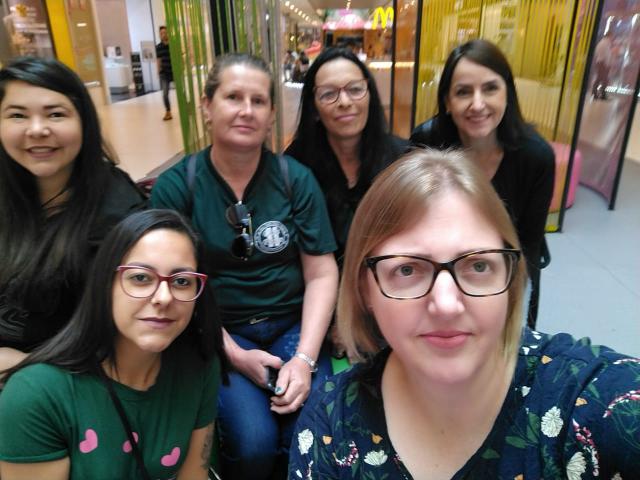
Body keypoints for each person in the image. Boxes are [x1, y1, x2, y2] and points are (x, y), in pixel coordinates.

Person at [289, 149, 640, 479]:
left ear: (510, 276)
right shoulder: (329, 426)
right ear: (364, 289)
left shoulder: (590, 399)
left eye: (478, 265)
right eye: (407, 269)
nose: (446, 305)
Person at [151, 53, 338, 479]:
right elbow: (174, 284)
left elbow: (322, 272)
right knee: (253, 443)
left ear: (272, 115)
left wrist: (304, 360)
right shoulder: (178, 187)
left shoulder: (295, 180)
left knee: (308, 433)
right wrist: (233, 355)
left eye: (258, 101)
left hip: (293, 325)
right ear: (207, 105)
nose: (246, 110)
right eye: (233, 97)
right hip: (219, 329)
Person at [0, 209, 225, 479]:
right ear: (105, 285)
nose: (164, 297)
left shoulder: (199, 365)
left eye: (181, 281)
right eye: (141, 277)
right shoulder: (35, 396)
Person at [0, 57, 146, 371]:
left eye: (55, 114)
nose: (37, 130)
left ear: (84, 121)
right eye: (17, 115)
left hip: (65, 381)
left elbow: (123, 341)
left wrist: (24, 369)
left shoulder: (118, 214)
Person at [410, 39, 555, 328]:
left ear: (507, 94)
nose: (477, 104)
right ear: (447, 102)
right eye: (463, 92)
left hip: (506, 269)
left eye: (490, 89)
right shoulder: (426, 142)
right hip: (440, 266)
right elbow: (414, 224)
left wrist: (512, 314)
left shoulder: (536, 157)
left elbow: (528, 245)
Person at [286, 47, 408, 266]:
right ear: (314, 108)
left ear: (369, 95)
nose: (344, 101)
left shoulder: (402, 160)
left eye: (355, 89)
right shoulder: (295, 165)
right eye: (328, 94)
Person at [156, 26, 173, 120]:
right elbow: (158, 60)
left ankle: (187, 107)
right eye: (161, 33)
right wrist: (158, 71)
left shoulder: (173, 45)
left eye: (165, 33)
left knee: (182, 92)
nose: (163, 35)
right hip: (164, 73)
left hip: (174, 72)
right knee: (165, 94)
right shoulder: (158, 47)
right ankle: (168, 112)